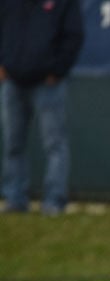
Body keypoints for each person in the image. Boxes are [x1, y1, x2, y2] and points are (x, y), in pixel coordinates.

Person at [0, 0, 83, 215]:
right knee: (13, 144)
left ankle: (54, 201)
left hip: (48, 83)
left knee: (54, 143)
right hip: (12, 80)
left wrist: (57, 70)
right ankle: (15, 199)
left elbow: (73, 35)